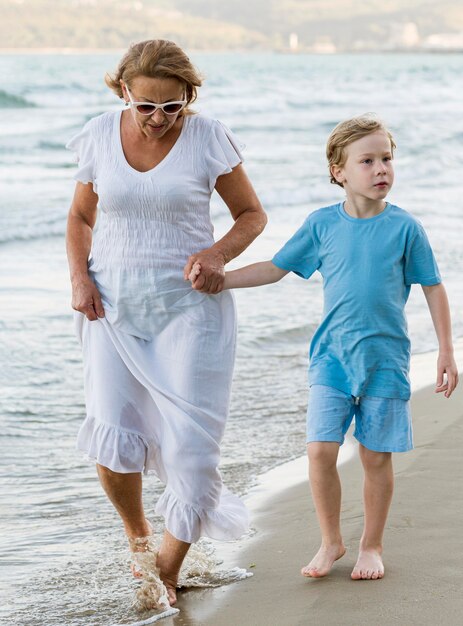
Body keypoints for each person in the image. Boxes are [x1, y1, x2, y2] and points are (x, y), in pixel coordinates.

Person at [190, 114, 458, 581]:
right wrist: (221, 279)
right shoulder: (320, 225)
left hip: (385, 362)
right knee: (320, 451)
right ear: (338, 170)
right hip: (331, 359)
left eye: (387, 159)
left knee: (375, 456)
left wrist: (446, 351)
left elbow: (433, 287)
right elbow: (275, 268)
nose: (381, 170)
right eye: (368, 161)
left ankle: (371, 545)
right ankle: (330, 541)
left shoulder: (405, 228)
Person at [65, 39, 267, 606]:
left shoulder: (208, 137)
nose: (157, 120)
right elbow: (82, 215)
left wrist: (217, 255)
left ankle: (166, 573)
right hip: (111, 308)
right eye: (146, 106)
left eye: (171, 107)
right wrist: (79, 278)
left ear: (189, 98)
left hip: (190, 309)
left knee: (193, 453)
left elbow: (252, 215)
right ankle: (138, 538)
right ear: (123, 90)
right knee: (112, 440)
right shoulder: (101, 133)